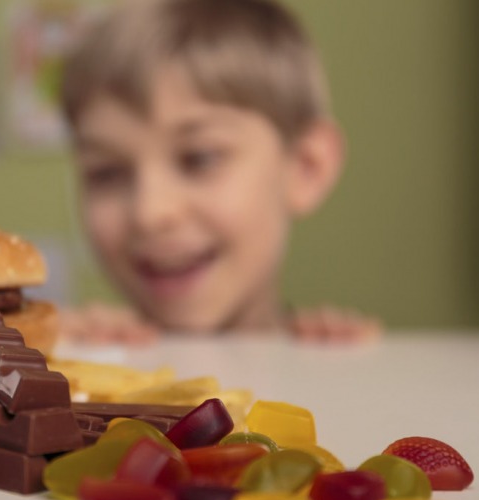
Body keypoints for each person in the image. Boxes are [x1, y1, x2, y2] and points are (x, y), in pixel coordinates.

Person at [57, 0, 380, 344]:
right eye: (106, 173)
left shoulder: (334, 354)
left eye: (199, 158)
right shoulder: (78, 354)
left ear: (306, 167)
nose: (150, 213)